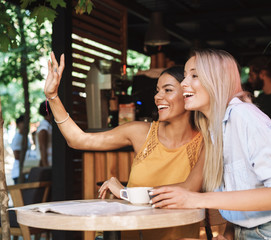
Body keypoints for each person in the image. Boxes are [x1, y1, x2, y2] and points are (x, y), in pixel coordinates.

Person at [150, 49, 271, 240]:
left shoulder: (244, 116)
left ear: (217, 80)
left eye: (194, 75)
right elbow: (240, 199)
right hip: (247, 232)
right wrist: (228, 236)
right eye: (185, 76)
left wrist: (197, 199)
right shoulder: (216, 129)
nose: (184, 83)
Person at [44, 52, 204, 240]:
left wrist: (124, 192)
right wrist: (53, 96)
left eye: (167, 90)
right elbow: (78, 140)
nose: (158, 96)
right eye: (157, 90)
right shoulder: (140, 132)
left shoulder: (206, 142)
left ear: (187, 93)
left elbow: (187, 190)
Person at [11, 115, 31, 184]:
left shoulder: (25, 137)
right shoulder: (18, 138)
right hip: (18, 172)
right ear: (19, 124)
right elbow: (16, 156)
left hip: (24, 171)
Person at [36, 101, 52, 167]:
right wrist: (46, 166)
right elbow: (42, 148)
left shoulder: (48, 126)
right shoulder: (44, 128)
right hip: (49, 162)